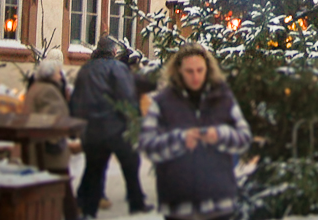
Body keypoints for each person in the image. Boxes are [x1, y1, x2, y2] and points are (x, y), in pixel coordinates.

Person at [140, 43, 252, 220]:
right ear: (178, 71)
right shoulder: (163, 103)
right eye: (189, 71)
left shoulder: (223, 99)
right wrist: (179, 140)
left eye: (200, 70)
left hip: (220, 204)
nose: (195, 77)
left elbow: (244, 138)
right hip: (179, 205)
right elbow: (147, 145)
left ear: (208, 70)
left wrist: (221, 135)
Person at [69, 37, 152, 219]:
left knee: (94, 168)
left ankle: (88, 209)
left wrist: (76, 125)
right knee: (130, 163)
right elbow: (127, 96)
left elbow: (76, 99)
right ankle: (136, 202)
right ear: (113, 52)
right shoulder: (118, 69)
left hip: (91, 129)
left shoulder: (86, 70)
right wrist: (134, 120)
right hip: (114, 128)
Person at [24, 52, 77, 219]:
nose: (60, 77)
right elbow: (53, 120)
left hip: (37, 146)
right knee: (63, 187)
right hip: (48, 150)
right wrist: (59, 140)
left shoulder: (35, 88)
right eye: (58, 73)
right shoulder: (49, 92)